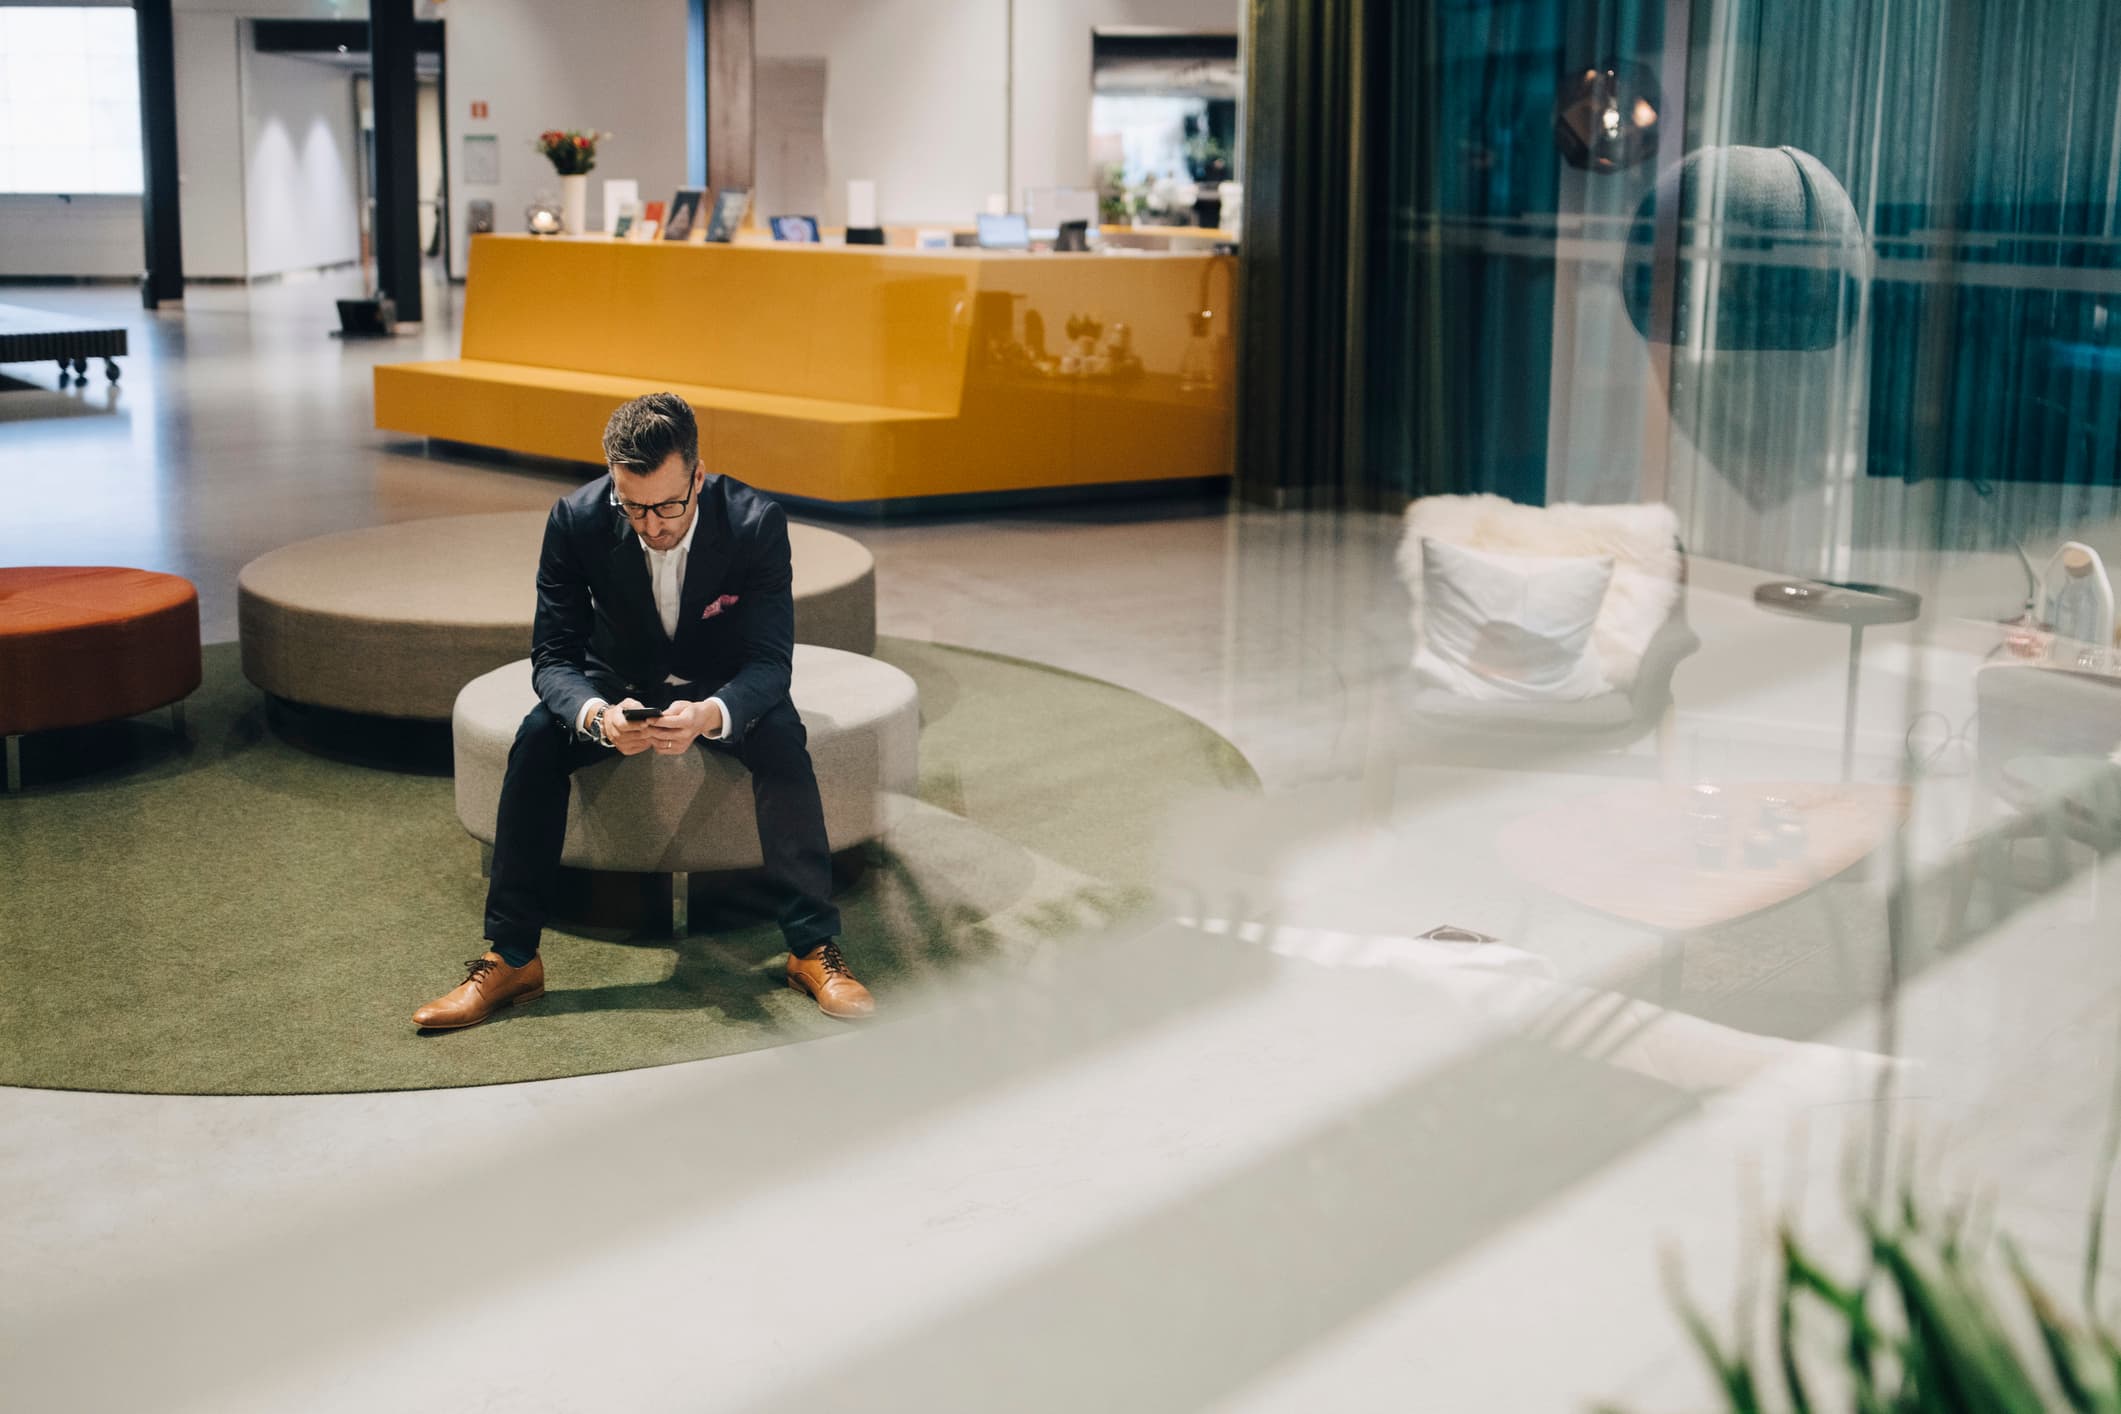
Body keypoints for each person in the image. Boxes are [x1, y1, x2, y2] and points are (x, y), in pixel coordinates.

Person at [413, 393, 874, 1029]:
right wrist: (597, 715)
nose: (653, 523)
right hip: (616, 680)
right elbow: (551, 656)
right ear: (612, 481)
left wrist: (711, 714)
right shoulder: (575, 520)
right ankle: (513, 957)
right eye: (632, 505)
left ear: (698, 477)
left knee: (783, 741)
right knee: (537, 741)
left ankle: (810, 948)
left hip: (722, 679)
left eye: (668, 504)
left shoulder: (755, 522)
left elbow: (770, 663)